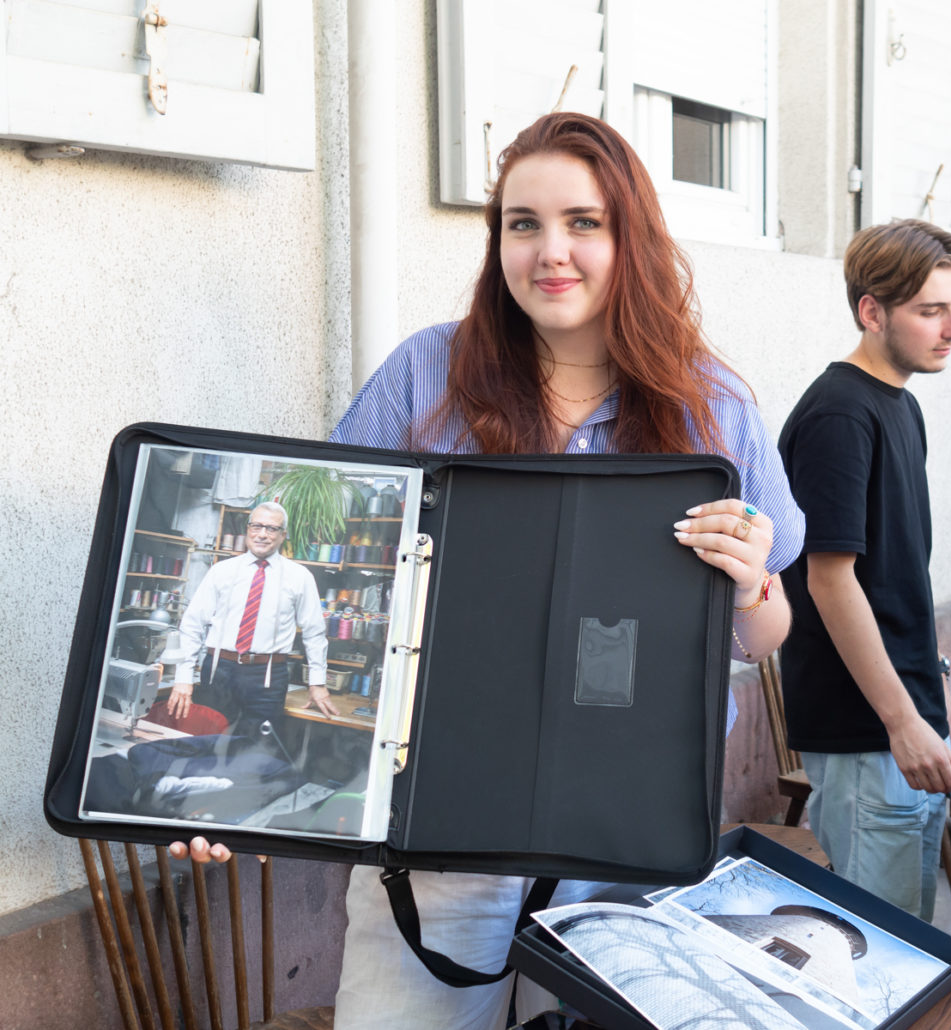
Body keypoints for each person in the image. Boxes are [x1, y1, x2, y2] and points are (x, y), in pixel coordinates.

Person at [173, 112, 805, 1028]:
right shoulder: (426, 371)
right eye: (523, 223)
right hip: (438, 831)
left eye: (584, 222)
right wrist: (234, 791)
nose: (551, 251)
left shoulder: (711, 404)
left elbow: (761, 636)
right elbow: (326, 544)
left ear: (631, 236)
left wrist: (749, 584)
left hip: (623, 834)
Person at [777, 218, 951, 922]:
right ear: (872, 311)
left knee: (913, 940)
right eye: (931, 310)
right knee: (879, 953)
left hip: (908, 719)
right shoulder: (839, 415)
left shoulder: (901, 405)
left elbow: (898, 580)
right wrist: (902, 720)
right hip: (869, 735)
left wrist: (935, 690)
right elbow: (829, 580)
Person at [167, 501, 338, 733]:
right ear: (248, 529)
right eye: (257, 526)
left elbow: (314, 633)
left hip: (268, 676)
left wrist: (317, 683)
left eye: (272, 528)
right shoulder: (221, 571)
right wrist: (183, 676)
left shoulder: (300, 577)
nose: (262, 534)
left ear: (283, 535)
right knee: (207, 741)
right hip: (218, 670)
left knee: (256, 747)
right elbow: (192, 625)